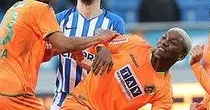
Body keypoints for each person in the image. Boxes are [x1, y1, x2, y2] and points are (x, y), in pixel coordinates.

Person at [0, 0, 119, 110]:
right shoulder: (41, 9)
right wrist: (98, 38)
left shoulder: (14, 9)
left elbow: (40, 51)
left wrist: (76, 49)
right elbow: (63, 44)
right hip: (11, 93)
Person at [61, 28, 193, 110]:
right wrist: (102, 48)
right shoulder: (134, 43)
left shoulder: (164, 91)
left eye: (173, 42)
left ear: (181, 56)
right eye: (164, 37)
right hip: (81, 102)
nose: (165, 42)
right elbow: (101, 33)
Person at [51, 0, 126, 109]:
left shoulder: (114, 22)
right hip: (63, 99)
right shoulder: (59, 19)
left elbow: (119, 62)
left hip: (98, 103)